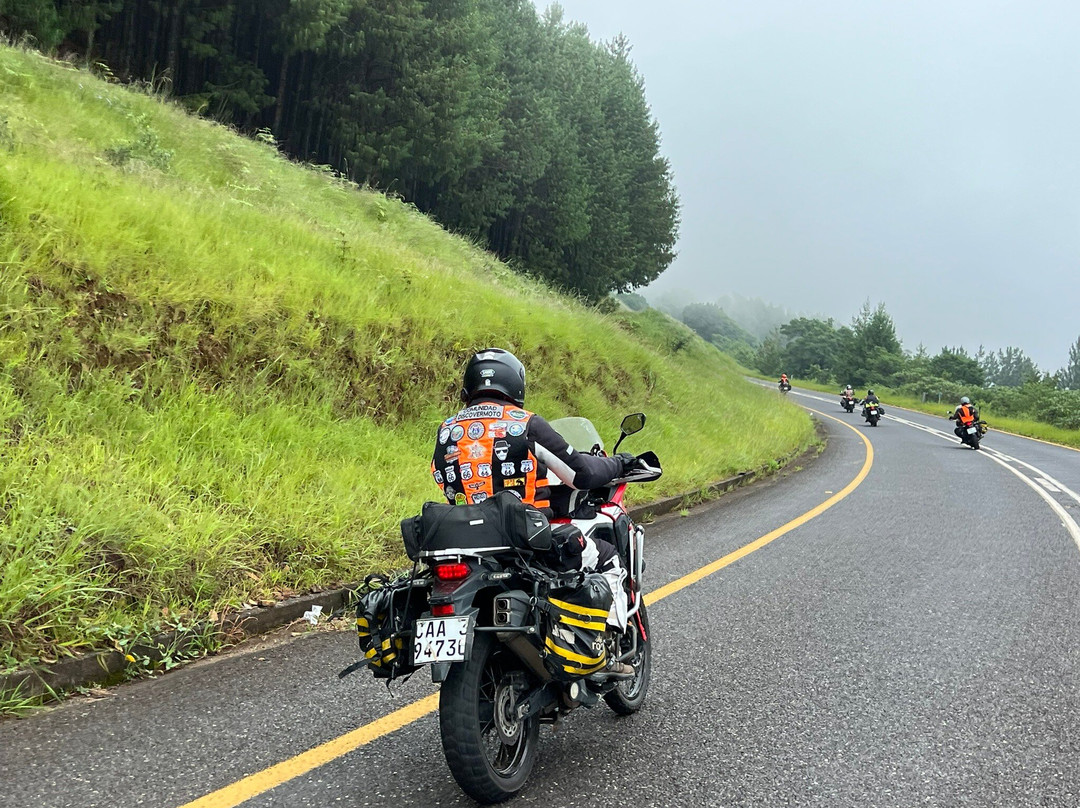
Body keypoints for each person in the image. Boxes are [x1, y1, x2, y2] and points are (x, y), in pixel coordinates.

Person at [432, 348, 636, 676]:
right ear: (516, 385)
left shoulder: (446, 431)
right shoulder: (524, 425)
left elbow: (445, 481)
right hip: (525, 540)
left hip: (465, 544)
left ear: (468, 386)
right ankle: (608, 654)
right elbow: (580, 473)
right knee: (608, 556)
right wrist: (618, 462)